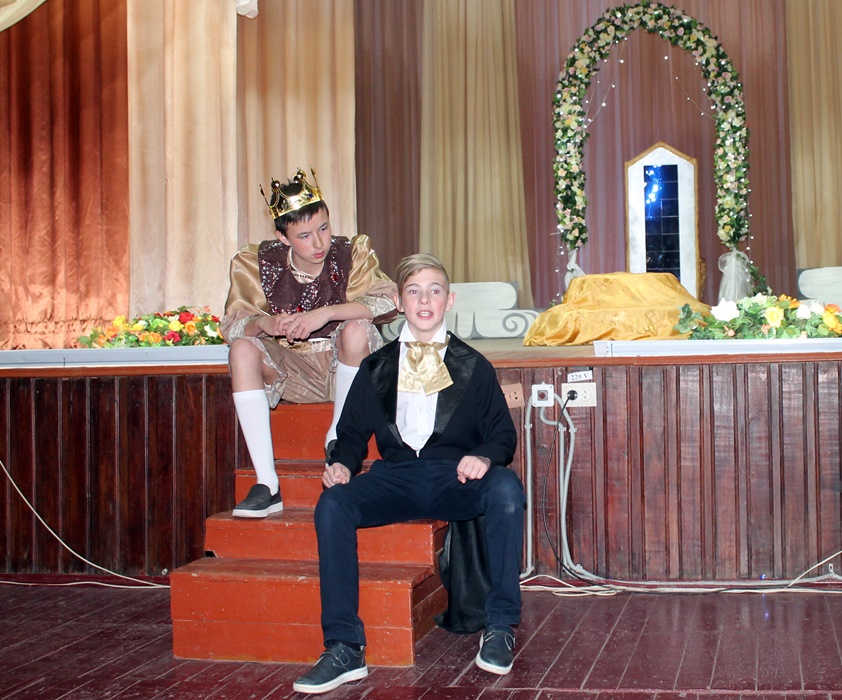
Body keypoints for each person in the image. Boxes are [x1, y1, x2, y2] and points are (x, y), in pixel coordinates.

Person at [292, 253, 525, 695]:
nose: (424, 301)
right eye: (414, 292)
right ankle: (344, 646)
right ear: (399, 302)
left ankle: (500, 626)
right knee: (333, 504)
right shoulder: (375, 367)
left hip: (454, 477)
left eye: (434, 291)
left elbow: (502, 436)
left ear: (449, 300)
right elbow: (351, 434)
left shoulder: (475, 366)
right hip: (396, 476)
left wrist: (483, 457)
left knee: (507, 490)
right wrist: (341, 463)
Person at [220, 167, 397, 518]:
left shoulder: (352, 253)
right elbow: (232, 326)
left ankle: (338, 435)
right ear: (282, 237)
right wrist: (264, 323)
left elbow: (387, 302)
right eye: (304, 235)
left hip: (352, 370)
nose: (319, 244)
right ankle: (267, 483)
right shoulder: (256, 263)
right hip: (294, 373)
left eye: (324, 228)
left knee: (355, 328)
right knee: (241, 348)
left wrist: (326, 313)